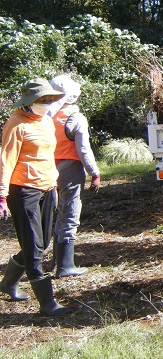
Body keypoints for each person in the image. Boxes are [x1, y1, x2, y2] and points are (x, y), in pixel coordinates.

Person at [0, 78, 70, 316]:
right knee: (33, 247)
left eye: (50, 100)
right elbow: (6, 160)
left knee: (42, 243)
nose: (48, 104)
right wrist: (2, 194)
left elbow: (49, 157)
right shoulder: (16, 124)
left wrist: (54, 185)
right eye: (43, 100)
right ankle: (47, 303)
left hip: (47, 188)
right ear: (30, 102)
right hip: (23, 190)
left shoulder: (47, 122)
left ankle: (8, 283)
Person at [46, 74, 101, 278]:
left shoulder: (47, 115)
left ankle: (56, 261)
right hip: (69, 168)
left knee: (58, 214)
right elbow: (83, 149)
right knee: (70, 214)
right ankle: (65, 265)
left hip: (49, 168)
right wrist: (94, 173)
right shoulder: (75, 117)